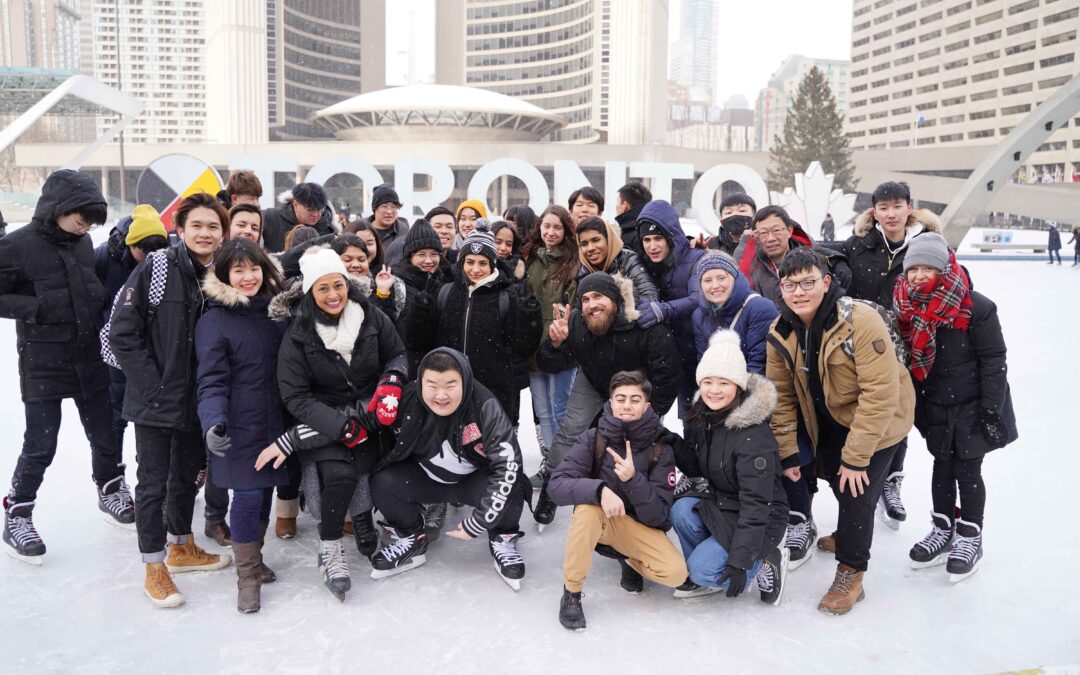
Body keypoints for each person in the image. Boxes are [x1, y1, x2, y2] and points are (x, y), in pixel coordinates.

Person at [766, 247, 914, 615]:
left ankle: (851, 570)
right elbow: (780, 397)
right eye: (790, 284)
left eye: (808, 282)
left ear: (826, 282)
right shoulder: (780, 330)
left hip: (881, 420)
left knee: (855, 491)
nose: (798, 292)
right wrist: (787, 451)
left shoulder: (859, 321)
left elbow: (880, 395)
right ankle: (851, 531)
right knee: (834, 474)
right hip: (831, 419)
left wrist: (857, 457)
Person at [0, 170, 135, 565]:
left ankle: (111, 488)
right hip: (43, 360)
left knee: (104, 431)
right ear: (58, 208)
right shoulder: (17, 246)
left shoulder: (82, 243)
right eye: (80, 218)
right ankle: (17, 513)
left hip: (88, 355)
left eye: (91, 222)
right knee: (42, 443)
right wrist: (35, 309)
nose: (85, 227)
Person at [109, 192, 233, 607]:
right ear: (181, 229)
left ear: (223, 233)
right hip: (156, 400)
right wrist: (152, 385)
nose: (205, 233)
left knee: (185, 477)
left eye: (213, 226)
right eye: (197, 225)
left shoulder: (223, 273)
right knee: (152, 484)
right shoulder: (158, 267)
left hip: (199, 399)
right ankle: (153, 566)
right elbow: (120, 333)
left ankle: (181, 545)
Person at [262, 247, 407, 601]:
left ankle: (365, 521)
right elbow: (295, 395)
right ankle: (329, 548)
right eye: (322, 288)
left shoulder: (370, 316)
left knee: (374, 468)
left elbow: (397, 355)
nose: (333, 295)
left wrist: (392, 380)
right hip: (323, 417)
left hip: (370, 412)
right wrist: (338, 425)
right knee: (339, 474)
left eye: (338, 285)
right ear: (310, 292)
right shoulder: (299, 333)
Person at [892, 233, 1017, 582]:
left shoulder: (976, 307)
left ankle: (970, 535)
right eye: (912, 268)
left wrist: (990, 410)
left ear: (943, 269)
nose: (918, 276)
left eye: (927, 268)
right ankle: (943, 528)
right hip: (934, 406)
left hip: (974, 406)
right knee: (942, 466)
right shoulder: (905, 307)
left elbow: (994, 359)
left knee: (967, 469)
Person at [367, 348, 529, 589]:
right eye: (432, 385)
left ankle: (502, 537)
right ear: (421, 381)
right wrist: (294, 439)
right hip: (424, 479)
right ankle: (410, 536)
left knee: (514, 484)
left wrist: (479, 521)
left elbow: (508, 464)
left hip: (473, 481)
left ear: (465, 381)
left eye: (451, 385)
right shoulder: (407, 398)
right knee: (383, 481)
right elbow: (359, 420)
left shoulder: (485, 404)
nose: (441, 395)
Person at [533, 272, 682, 528]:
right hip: (595, 380)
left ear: (615, 299)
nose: (592, 305)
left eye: (598, 297)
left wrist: (650, 411)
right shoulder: (579, 322)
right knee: (571, 429)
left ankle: (641, 501)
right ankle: (553, 481)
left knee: (640, 439)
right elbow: (552, 363)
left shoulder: (642, 325)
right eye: (586, 299)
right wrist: (555, 344)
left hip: (636, 389)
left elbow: (668, 374)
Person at [549, 371, 686, 631]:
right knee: (588, 509)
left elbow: (659, 516)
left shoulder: (660, 448)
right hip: (600, 520)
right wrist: (600, 490)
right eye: (620, 398)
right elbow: (556, 486)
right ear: (611, 402)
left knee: (675, 573)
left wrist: (633, 480)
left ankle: (630, 559)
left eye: (635, 400)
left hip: (637, 526)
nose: (626, 405)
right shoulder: (594, 438)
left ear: (646, 407)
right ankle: (572, 593)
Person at [195, 239, 288, 613]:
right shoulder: (214, 320)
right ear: (224, 275)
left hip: (277, 420)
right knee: (248, 497)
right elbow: (211, 379)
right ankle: (246, 576)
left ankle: (256, 558)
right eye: (238, 270)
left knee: (264, 494)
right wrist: (214, 420)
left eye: (254, 268)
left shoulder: (276, 313)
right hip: (240, 423)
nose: (248, 277)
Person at [843, 181, 944, 528]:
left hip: (912, 342)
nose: (891, 213)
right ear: (874, 212)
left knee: (901, 412)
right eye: (883, 207)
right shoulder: (859, 246)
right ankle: (868, 481)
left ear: (909, 208)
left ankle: (892, 480)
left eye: (897, 206)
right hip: (866, 343)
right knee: (869, 410)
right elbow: (836, 270)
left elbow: (948, 280)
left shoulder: (925, 245)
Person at [670, 331, 789, 605]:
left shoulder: (753, 436)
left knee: (702, 569)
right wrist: (669, 441)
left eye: (723, 382)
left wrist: (740, 561)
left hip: (761, 516)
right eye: (708, 381)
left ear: (737, 385)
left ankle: (763, 561)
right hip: (724, 502)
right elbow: (702, 467)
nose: (714, 390)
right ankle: (709, 571)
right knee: (681, 510)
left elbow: (757, 504)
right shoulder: (708, 417)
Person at [402, 226, 542, 424]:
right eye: (470, 262)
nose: (475, 269)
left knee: (488, 447)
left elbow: (522, 348)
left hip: (493, 393)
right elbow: (419, 340)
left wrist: (530, 318)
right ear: (461, 262)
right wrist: (421, 309)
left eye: (483, 263)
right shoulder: (446, 292)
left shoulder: (506, 296)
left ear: (493, 265)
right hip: (447, 391)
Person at [94, 205, 169, 454]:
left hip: (153, 348)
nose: (150, 256)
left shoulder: (165, 261)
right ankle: (112, 474)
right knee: (116, 414)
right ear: (130, 244)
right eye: (143, 250)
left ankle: (149, 468)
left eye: (157, 250)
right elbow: (91, 298)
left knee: (151, 414)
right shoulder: (104, 257)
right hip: (116, 345)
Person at [523, 205, 579, 487]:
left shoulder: (573, 262)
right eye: (546, 226)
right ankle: (550, 461)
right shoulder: (531, 259)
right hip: (534, 343)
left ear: (566, 230)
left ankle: (563, 465)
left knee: (561, 408)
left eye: (557, 227)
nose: (551, 232)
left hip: (561, 344)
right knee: (542, 409)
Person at [636, 199, 705, 427]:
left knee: (693, 423)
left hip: (695, 356)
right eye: (646, 239)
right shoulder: (645, 264)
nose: (652, 246)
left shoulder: (696, 258)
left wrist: (663, 309)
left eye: (658, 238)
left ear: (671, 236)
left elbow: (699, 299)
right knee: (649, 422)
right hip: (664, 357)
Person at [735, 205, 851, 304]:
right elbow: (737, 288)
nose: (770, 238)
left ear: (789, 231)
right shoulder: (752, 265)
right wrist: (746, 245)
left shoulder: (813, 259)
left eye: (776, 230)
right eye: (763, 233)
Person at [391, 219, 446, 377]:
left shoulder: (443, 282)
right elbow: (408, 337)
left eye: (434, 254)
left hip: (441, 368)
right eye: (421, 254)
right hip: (410, 370)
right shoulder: (396, 285)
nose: (429, 261)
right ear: (410, 257)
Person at [576, 216, 659, 306]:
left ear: (609, 239)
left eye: (596, 240)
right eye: (584, 244)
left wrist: (616, 307)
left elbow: (651, 299)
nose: (590, 248)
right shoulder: (583, 272)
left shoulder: (629, 261)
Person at [262, 182, 336, 253]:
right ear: (296, 204)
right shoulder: (270, 218)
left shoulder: (328, 228)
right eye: (310, 210)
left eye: (320, 210)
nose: (316, 214)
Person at [368, 184, 410, 268]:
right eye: (384, 207)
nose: (389, 211)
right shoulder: (361, 230)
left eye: (393, 207)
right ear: (375, 208)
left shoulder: (404, 232)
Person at [613, 182, 651, 254]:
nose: (616, 207)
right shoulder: (652, 227)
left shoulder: (631, 236)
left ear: (625, 205)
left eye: (617, 202)